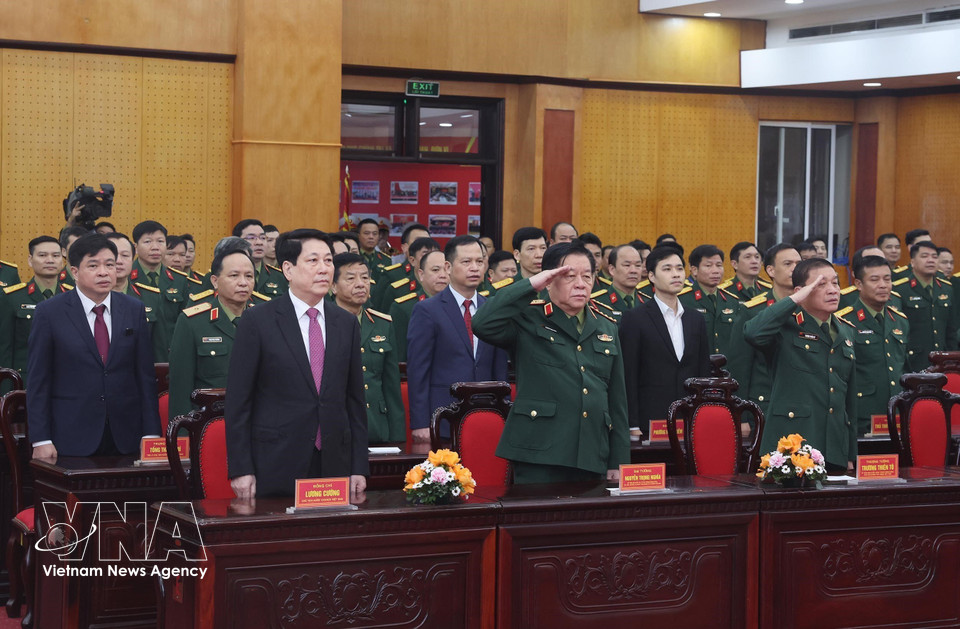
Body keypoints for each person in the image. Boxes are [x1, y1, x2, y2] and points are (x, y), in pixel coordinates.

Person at [226, 229, 368, 499]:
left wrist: (359, 465)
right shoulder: (258, 321)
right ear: (288, 269)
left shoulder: (346, 323)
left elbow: (355, 401)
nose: (324, 269)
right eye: (313, 261)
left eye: (328, 261)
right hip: (276, 460)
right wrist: (241, 468)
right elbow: (238, 403)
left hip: (334, 462)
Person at [473, 242, 630, 484]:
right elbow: (482, 324)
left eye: (587, 276)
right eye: (569, 276)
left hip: (591, 450)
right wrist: (532, 284)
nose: (581, 284)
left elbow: (617, 399)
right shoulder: (528, 317)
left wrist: (619, 461)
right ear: (549, 279)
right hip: (539, 451)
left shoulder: (606, 325)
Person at [26, 234, 160, 458]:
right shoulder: (49, 312)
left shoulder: (133, 309)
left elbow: (145, 377)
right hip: (70, 436)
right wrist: (41, 439)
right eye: (93, 265)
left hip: (127, 436)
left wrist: (151, 434)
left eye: (110, 264)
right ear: (74, 272)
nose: (103, 272)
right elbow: (39, 381)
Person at [744, 257, 857, 472]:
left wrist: (849, 453)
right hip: (790, 448)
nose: (833, 290)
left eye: (835, 283)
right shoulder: (785, 327)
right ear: (800, 291)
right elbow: (752, 333)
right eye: (821, 285)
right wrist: (793, 300)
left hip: (834, 447)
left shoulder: (846, 331)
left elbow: (849, 399)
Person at [407, 236, 509, 442]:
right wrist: (420, 423)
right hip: (444, 417)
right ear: (448, 266)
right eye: (466, 262)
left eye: (479, 262)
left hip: (487, 416)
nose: (474, 268)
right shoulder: (428, 310)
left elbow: (500, 371)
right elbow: (418, 372)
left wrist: (504, 414)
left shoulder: (493, 309)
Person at [620, 245, 710, 437]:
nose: (676, 274)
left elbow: (702, 373)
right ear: (651, 276)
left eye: (679, 268)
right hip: (649, 420)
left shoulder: (695, 319)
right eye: (667, 269)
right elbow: (629, 375)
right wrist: (632, 424)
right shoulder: (635, 318)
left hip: (689, 419)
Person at [168, 240, 257, 422]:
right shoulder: (192, 322)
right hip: (209, 424)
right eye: (234, 276)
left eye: (249, 276)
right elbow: (181, 388)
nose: (243, 283)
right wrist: (183, 438)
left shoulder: (263, 319)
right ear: (215, 281)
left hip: (256, 423)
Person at [726, 243, 801, 431]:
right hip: (764, 408)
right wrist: (741, 415)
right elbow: (739, 368)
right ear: (770, 270)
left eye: (799, 263)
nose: (795, 268)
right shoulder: (753, 311)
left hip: (803, 409)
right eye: (787, 263)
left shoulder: (811, 308)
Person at [332, 253, 405, 443]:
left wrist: (397, 437)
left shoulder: (383, 324)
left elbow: (391, 387)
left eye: (365, 277)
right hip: (335, 426)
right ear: (332, 286)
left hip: (374, 424)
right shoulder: (322, 323)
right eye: (350, 278)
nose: (360, 284)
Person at [836, 255, 909, 436]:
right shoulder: (844, 322)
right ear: (859, 284)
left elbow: (902, 365)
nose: (883, 285)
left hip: (897, 413)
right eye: (874, 280)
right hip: (861, 414)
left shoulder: (900, 321)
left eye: (887, 279)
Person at [0, 236, 71, 388]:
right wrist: (6, 393)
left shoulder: (74, 297)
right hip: (26, 383)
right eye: (43, 255)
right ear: (30, 260)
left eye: (56, 255)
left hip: (65, 382)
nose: (50, 260)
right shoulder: (12, 298)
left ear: (62, 260)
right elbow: (4, 350)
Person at [894, 240, 959, 372]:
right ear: (912, 262)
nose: (931, 260)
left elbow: (951, 329)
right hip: (913, 362)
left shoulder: (946, 288)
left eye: (934, 257)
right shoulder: (900, 290)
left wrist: (952, 360)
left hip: (942, 362)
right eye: (924, 256)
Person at [130, 220, 189, 361]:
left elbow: (185, 322)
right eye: (148, 242)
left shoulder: (179, 280)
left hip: (170, 354)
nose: (155, 247)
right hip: (136, 355)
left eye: (160, 241)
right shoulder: (125, 277)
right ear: (135, 247)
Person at [679, 244, 741, 356]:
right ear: (694, 270)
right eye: (708, 266)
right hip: (695, 368)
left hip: (725, 369)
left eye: (719, 265)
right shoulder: (682, 300)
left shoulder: (732, 301)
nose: (716, 271)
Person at [389, 250, 449, 362]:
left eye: (447, 270)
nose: (442, 275)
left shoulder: (460, 305)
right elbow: (399, 357)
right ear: (421, 274)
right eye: (435, 270)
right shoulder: (404, 308)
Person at [371, 224, 430, 310]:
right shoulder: (391, 275)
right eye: (418, 242)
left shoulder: (438, 276)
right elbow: (380, 312)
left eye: (428, 242)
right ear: (405, 247)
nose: (424, 247)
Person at [233, 219, 288, 299]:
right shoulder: (221, 275)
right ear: (237, 242)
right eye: (251, 238)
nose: (259, 242)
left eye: (263, 238)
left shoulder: (279, 277)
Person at [592, 244, 646, 323]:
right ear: (612, 269)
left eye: (638, 265)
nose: (633, 270)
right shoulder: (596, 304)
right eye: (627, 265)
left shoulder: (648, 303)